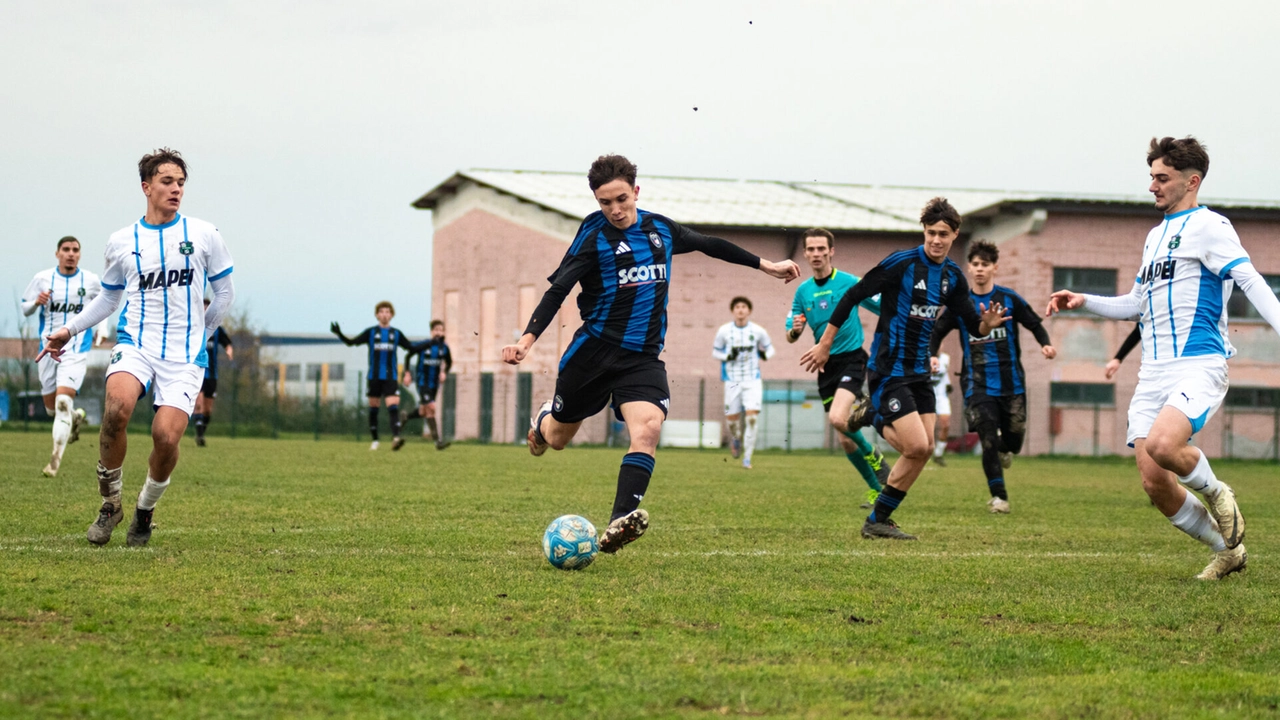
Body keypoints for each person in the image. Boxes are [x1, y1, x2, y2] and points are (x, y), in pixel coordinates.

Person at [502, 154, 799, 553]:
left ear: (636, 191)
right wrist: (526, 339)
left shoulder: (660, 229)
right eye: (605, 203)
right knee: (556, 439)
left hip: (641, 359)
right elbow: (558, 291)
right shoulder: (593, 237)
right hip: (592, 354)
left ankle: (617, 522)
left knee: (647, 430)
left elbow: (710, 244)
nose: (615, 210)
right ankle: (542, 421)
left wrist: (766, 265)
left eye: (621, 199)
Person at [1047, 136, 1280, 580]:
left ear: (1192, 182)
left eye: (1162, 178)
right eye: (1151, 176)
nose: (1152, 186)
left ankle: (1217, 492)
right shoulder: (1155, 237)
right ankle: (1227, 551)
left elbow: (1251, 282)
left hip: (1199, 363)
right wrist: (1084, 299)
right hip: (1153, 371)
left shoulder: (1212, 227)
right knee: (1155, 481)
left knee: (1164, 444)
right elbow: (1137, 303)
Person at [37, 148, 235, 547]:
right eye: (167, 181)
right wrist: (70, 329)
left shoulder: (203, 234)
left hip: (184, 357)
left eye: (181, 182)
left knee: (166, 437)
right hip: (136, 344)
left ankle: (144, 510)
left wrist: (204, 335)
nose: (176, 188)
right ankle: (110, 504)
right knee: (116, 410)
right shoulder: (122, 241)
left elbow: (225, 292)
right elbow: (110, 298)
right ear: (146, 187)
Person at [801, 197, 1008, 540]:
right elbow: (852, 296)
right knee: (915, 447)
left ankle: (877, 518)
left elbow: (972, 325)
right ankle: (875, 419)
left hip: (919, 373)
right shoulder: (902, 263)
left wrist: (987, 324)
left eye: (943, 234)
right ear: (923, 232)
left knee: (924, 450)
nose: (936, 240)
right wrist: (824, 344)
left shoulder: (953, 278)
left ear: (955, 234)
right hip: (888, 369)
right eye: (930, 233)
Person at [929, 240, 1057, 513]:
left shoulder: (1008, 299)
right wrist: (931, 354)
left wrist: (1045, 343)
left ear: (994, 268)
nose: (979, 269)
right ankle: (999, 497)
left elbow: (1034, 323)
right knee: (987, 436)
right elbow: (937, 331)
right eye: (974, 264)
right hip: (977, 384)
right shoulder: (961, 304)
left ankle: (1005, 449)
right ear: (968, 267)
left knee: (1013, 441)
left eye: (985, 265)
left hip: (1012, 384)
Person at [784, 227, 891, 508]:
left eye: (822, 249)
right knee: (845, 440)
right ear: (805, 253)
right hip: (824, 365)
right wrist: (795, 330)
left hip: (852, 358)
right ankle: (875, 490)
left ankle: (875, 457)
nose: (816, 254)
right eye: (811, 249)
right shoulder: (802, 291)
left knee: (837, 419)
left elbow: (883, 307)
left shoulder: (850, 282)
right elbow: (789, 333)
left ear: (831, 251)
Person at [22, 236, 101, 477]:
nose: (70, 253)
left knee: (62, 402)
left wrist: (102, 330)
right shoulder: (42, 278)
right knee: (52, 410)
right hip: (47, 349)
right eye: (66, 249)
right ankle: (76, 417)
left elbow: (105, 303)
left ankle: (54, 462)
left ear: (80, 254)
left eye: (75, 250)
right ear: (57, 253)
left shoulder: (91, 281)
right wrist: (36, 302)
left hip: (76, 348)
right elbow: (25, 308)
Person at [331, 301, 416, 451]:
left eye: (387, 312)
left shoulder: (396, 334)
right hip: (374, 377)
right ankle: (375, 440)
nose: (384, 314)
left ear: (391, 315)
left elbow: (411, 348)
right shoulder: (371, 332)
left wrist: (409, 370)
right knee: (374, 407)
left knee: (393, 406)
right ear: (377, 315)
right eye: (381, 311)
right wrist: (339, 334)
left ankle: (396, 438)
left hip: (390, 377)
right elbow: (352, 342)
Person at [712, 296, 775, 469]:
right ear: (733, 310)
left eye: (744, 307)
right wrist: (727, 356)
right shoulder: (724, 331)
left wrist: (764, 355)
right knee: (732, 421)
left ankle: (747, 458)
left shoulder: (758, 331)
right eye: (737, 307)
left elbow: (770, 349)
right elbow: (716, 352)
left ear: (749, 310)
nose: (740, 310)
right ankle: (736, 439)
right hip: (732, 380)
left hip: (752, 380)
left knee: (752, 418)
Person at [402, 319, 452, 449]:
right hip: (422, 382)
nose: (438, 333)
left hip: (434, 384)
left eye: (441, 330)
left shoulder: (444, 348)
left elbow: (449, 362)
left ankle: (405, 417)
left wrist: (444, 372)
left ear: (443, 332)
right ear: (431, 332)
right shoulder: (424, 345)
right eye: (436, 330)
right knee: (432, 408)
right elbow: (408, 356)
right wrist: (407, 373)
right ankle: (438, 442)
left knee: (425, 411)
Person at [192, 298, 233, 447]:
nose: (204, 311)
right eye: (202, 308)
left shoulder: (216, 329)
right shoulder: (193, 327)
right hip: (196, 371)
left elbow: (227, 343)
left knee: (208, 410)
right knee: (199, 403)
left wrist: (229, 351)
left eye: (207, 308)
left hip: (212, 374)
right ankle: (199, 435)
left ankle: (201, 431)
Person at [930, 351, 952, 467]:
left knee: (945, 425)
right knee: (927, 427)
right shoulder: (924, 356)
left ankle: (938, 454)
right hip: (927, 396)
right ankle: (925, 451)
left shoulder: (945, 358)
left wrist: (949, 384)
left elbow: (945, 375)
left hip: (942, 397)